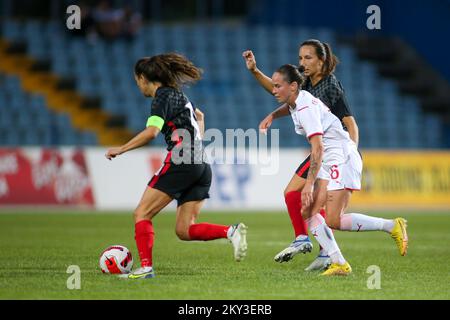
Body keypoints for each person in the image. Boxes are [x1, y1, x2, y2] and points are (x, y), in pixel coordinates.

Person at [105, 53, 248, 279]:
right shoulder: (180, 97)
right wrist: (200, 120)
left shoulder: (161, 97)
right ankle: (230, 231)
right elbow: (197, 131)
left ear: (143, 78)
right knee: (184, 229)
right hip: (200, 164)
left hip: (182, 161)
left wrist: (121, 149)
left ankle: (145, 269)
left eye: (137, 81)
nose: (138, 86)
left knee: (142, 213)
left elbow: (151, 132)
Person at [269, 64, 408, 275]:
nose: (273, 90)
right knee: (308, 210)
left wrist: (308, 185)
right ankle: (338, 262)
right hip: (331, 156)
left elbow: (317, 148)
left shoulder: (305, 108)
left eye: (277, 86)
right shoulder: (298, 100)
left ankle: (391, 226)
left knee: (333, 219)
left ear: (294, 86)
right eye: (273, 86)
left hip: (341, 156)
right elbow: (317, 145)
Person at [243, 40, 359, 271]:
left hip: (333, 151)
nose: (302, 63)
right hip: (323, 149)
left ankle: (315, 245)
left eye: (308, 58)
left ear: (321, 61)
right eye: (300, 58)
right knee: (308, 201)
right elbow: (282, 92)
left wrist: (351, 153)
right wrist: (256, 72)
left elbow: (350, 122)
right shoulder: (304, 82)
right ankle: (323, 250)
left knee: (308, 199)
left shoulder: (330, 86)